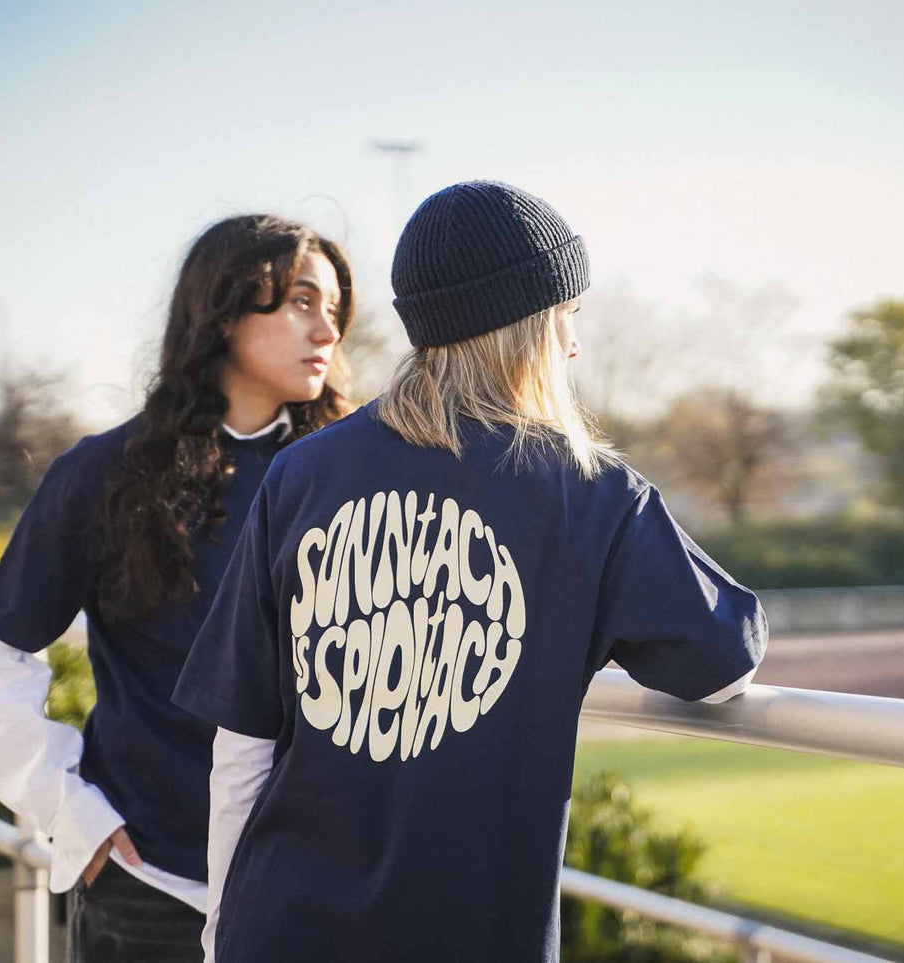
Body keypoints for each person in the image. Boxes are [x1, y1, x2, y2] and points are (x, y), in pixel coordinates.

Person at [173, 181, 768, 963]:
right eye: (568, 316)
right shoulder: (588, 491)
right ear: (525, 324)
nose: (574, 344)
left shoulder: (302, 471)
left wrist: (222, 932)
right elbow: (723, 663)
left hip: (279, 927)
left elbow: (241, 745)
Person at [0, 214, 355, 962]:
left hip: (310, 890)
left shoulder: (351, 479)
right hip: (150, 888)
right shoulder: (108, 474)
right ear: (226, 307)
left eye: (333, 309)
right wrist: (70, 811)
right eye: (300, 300)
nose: (324, 328)